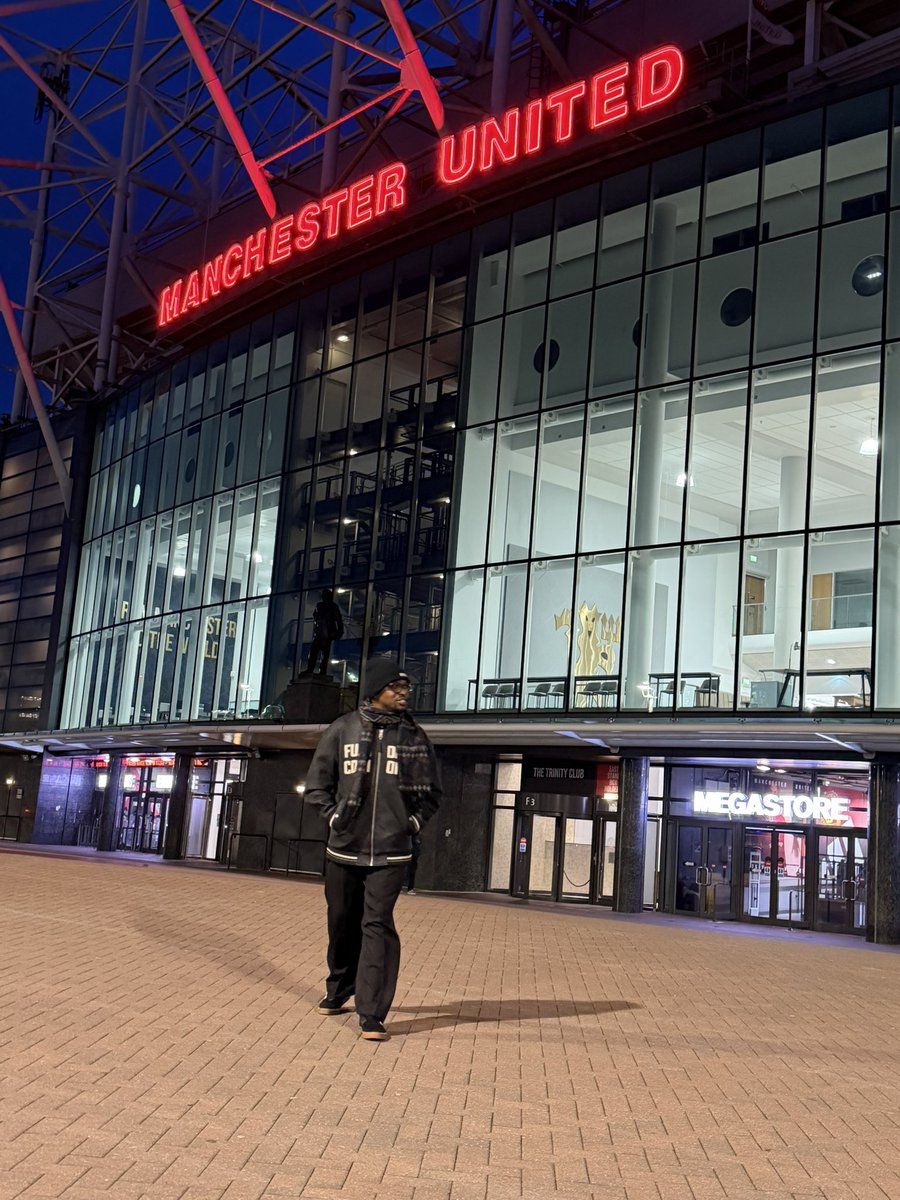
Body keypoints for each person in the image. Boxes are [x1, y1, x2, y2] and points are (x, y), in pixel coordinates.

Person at [304, 657, 441, 1040]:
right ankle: (339, 988)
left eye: (406, 689)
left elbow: (431, 794)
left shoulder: (413, 738)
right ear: (375, 690)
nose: (404, 694)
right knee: (342, 923)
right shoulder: (342, 730)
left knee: (377, 926)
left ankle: (371, 1012)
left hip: (391, 852)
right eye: (396, 688)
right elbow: (317, 786)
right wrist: (334, 819)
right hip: (344, 848)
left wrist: (410, 824)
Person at [304, 588, 344, 676]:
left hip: (327, 633)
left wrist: (339, 632)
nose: (324, 597)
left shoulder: (333, 606)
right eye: (323, 596)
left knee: (324, 654)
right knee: (313, 651)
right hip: (320, 632)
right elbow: (315, 615)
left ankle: (322, 671)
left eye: (325, 596)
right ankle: (310, 669)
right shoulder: (320, 605)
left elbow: (338, 620)